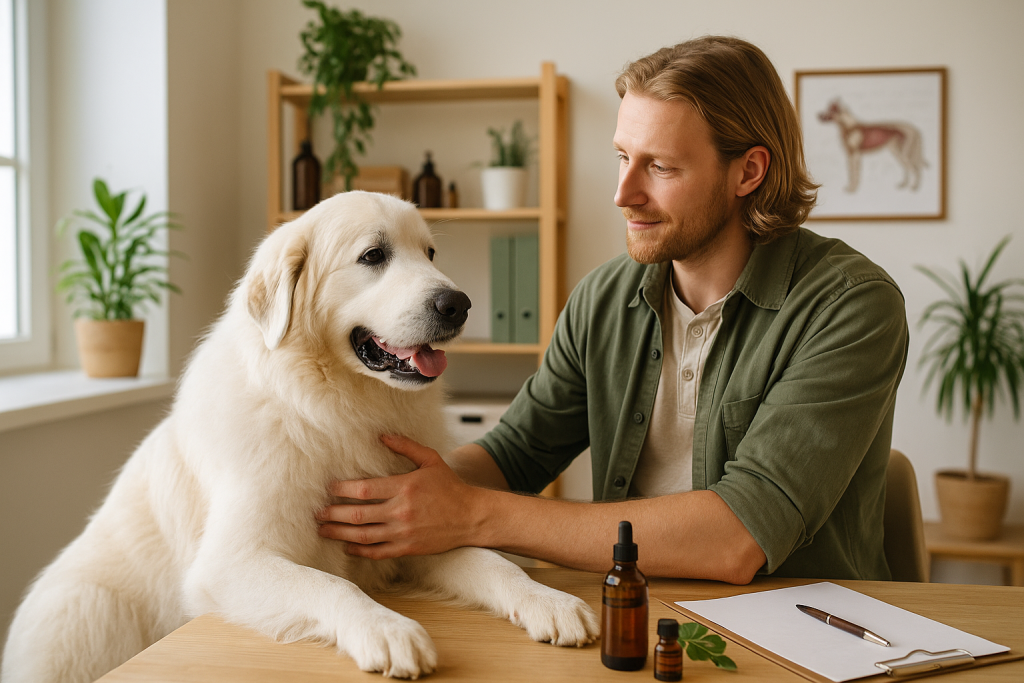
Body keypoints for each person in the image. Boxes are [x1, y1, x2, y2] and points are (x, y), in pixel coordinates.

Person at [316, 36, 909, 583]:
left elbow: (739, 536)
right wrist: (369, 496)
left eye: (661, 166)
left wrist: (472, 515)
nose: (624, 194)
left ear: (747, 172)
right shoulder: (602, 298)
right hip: (631, 612)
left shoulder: (852, 306)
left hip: (806, 635)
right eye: (624, 156)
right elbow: (516, 453)